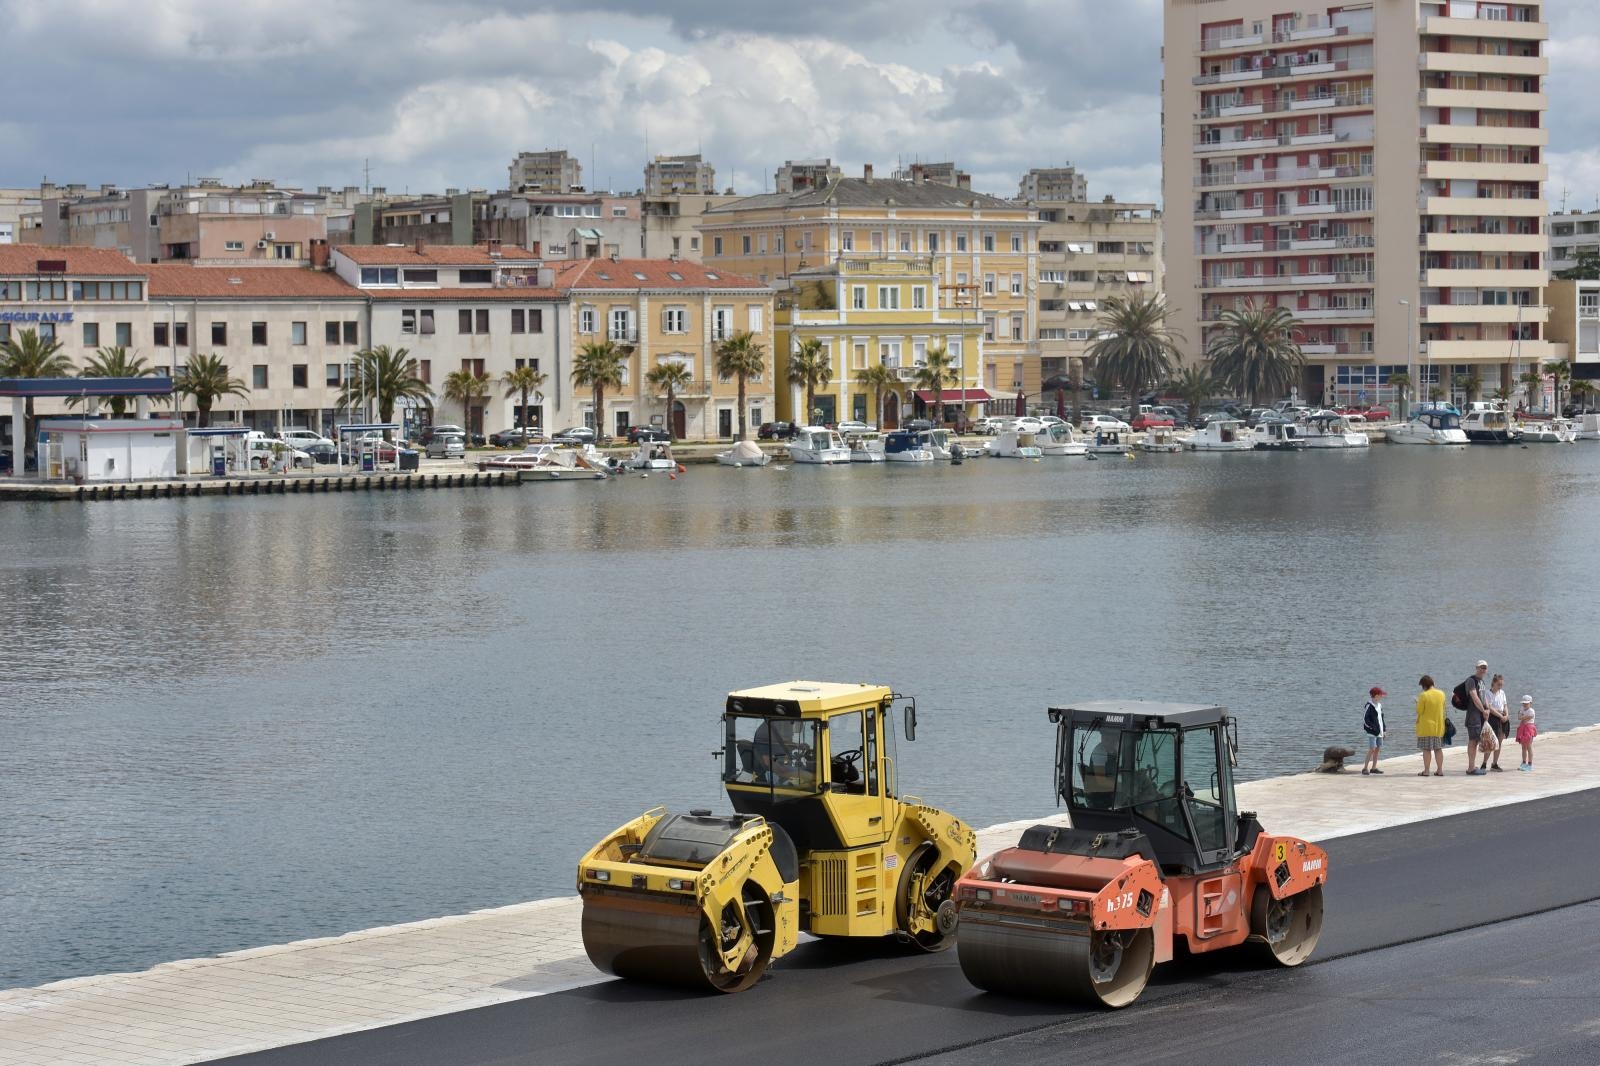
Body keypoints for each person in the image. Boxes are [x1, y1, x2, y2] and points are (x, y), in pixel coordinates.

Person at [1461, 660, 1490, 776]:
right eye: (1481, 667)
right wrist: (1483, 710)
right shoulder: (1471, 681)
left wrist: (1487, 708)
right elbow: (1474, 696)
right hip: (1473, 716)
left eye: (1485, 668)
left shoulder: (1481, 681)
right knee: (1473, 741)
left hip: (1481, 716)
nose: (1483, 670)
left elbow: (1484, 697)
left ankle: (1472, 765)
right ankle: (1471, 768)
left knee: (1477, 740)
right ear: (1476, 668)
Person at [1415, 675, 1446, 776]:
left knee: (1426, 749)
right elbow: (1443, 708)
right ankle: (1440, 770)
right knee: (1438, 749)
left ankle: (1427, 771)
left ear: (1424, 685)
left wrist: (1417, 703)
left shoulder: (1423, 695)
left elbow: (1419, 710)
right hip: (1439, 726)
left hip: (1426, 727)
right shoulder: (1442, 694)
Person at [1480, 673, 1509, 772]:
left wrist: (1506, 715)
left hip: (1502, 717)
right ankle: (1484, 763)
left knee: (1499, 742)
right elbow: (1490, 707)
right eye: (1499, 684)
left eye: (1501, 684)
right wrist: (1500, 716)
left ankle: (1494, 763)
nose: (1500, 686)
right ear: (1494, 683)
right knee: (1490, 741)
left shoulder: (1502, 693)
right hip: (1493, 717)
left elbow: (1505, 705)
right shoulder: (1487, 693)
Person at [1361, 686, 1387, 775]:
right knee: (1372, 749)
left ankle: (1374, 767)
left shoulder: (1379, 705)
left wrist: (1384, 730)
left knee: (1377, 749)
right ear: (1376, 696)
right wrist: (1372, 728)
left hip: (1380, 731)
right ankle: (1365, 768)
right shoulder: (1369, 705)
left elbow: (1381, 718)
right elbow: (1365, 719)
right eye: (1380, 695)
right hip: (1372, 732)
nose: (1382, 697)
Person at [1516, 695, 1538, 771]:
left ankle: (1530, 764)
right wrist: (1521, 716)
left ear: (1530, 703)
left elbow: (1523, 718)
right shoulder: (1522, 708)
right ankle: (1524, 763)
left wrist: (1521, 715)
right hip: (1522, 727)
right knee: (1523, 747)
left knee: (1529, 746)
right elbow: (1519, 718)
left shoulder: (1532, 711)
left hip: (1529, 728)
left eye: (1526, 703)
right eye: (1523, 703)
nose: (1525, 705)